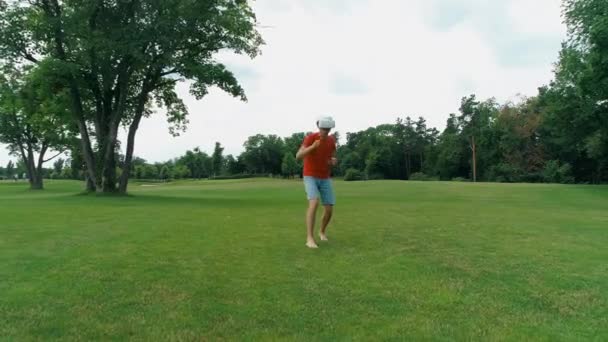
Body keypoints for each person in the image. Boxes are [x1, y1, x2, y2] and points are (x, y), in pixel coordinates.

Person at [296, 116, 338, 249]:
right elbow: (298, 156)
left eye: (327, 129)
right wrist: (312, 147)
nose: (325, 131)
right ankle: (309, 238)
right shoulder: (310, 138)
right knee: (314, 203)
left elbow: (331, 157)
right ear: (318, 127)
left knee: (329, 209)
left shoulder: (331, 141)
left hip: (325, 177)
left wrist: (332, 161)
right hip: (310, 176)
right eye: (323, 129)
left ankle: (322, 231)